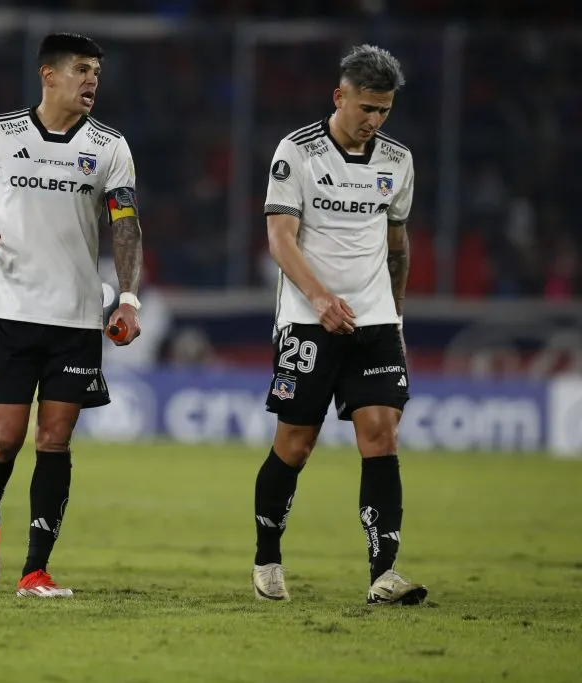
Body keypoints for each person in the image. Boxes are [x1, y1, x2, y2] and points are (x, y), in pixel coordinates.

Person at [0, 33, 143, 598]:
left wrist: (129, 298)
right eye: (82, 70)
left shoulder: (110, 147)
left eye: (97, 72)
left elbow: (126, 225)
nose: (92, 80)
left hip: (77, 317)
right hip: (13, 311)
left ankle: (35, 569)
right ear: (49, 75)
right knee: (3, 439)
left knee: (55, 439)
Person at [254, 44, 427, 605]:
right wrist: (320, 297)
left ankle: (384, 574)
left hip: (374, 321)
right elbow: (280, 239)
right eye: (365, 109)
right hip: (308, 321)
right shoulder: (297, 153)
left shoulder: (397, 161)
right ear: (340, 97)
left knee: (381, 435)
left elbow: (396, 245)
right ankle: (268, 557)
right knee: (295, 446)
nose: (373, 121)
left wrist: (395, 314)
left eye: (383, 111)